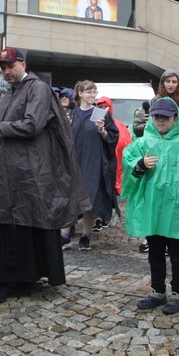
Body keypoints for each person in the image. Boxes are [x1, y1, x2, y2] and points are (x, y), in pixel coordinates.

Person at [0, 47, 89, 304]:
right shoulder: (10, 93)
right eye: (2, 67)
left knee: (26, 225)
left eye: (10, 66)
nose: (6, 71)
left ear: (23, 64)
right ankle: (10, 278)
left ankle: (20, 279)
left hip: (29, 173)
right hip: (8, 174)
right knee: (8, 226)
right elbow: (8, 135)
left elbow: (31, 125)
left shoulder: (37, 89)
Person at [121, 98, 179, 315]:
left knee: (177, 253)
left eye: (165, 117)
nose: (161, 121)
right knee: (155, 252)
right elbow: (128, 160)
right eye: (157, 116)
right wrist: (140, 164)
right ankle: (157, 290)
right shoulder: (142, 143)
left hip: (176, 209)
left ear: (175, 119)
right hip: (151, 208)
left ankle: (178, 293)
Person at [60, 81, 119, 251]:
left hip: (93, 162)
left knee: (90, 200)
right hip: (75, 161)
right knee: (70, 198)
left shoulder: (100, 113)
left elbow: (112, 138)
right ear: (80, 93)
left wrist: (102, 130)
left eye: (94, 92)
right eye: (89, 92)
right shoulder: (73, 113)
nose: (92, 95)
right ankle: (65, 235)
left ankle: (85, 236)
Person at [133, 69, 179, 139]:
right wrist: (147, 123)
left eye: (174, 82)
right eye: (168, 81)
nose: (170, 85)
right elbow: (137, 127)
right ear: (163, 83)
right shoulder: (154, 102)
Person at [96, 96, 132, 197]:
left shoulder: (119, 125)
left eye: (106, 107)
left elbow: (127, 143)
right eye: (101, 107)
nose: (104, 109)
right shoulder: (92, 123)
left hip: (116, 160)